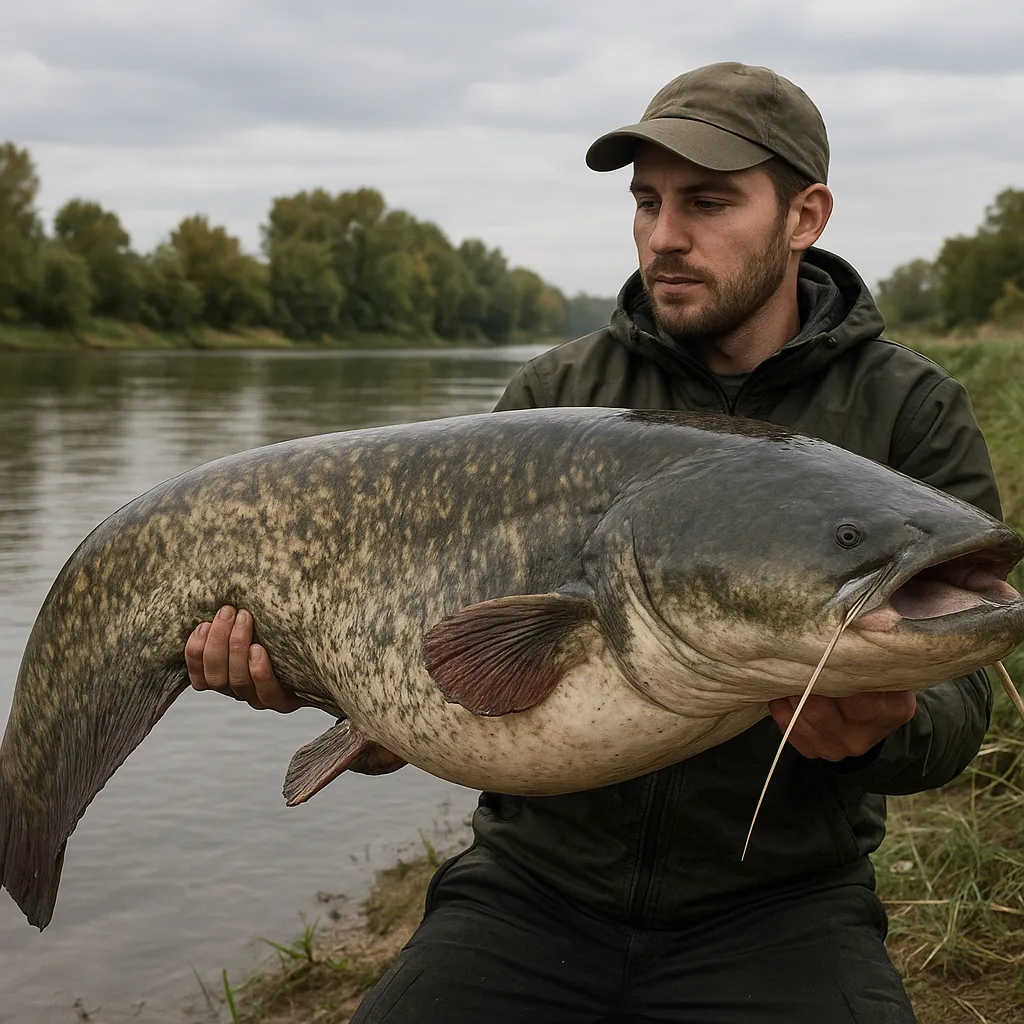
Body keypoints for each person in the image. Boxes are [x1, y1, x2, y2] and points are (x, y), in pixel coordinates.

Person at [185, 62, 1000, 1023]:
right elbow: (452, 661)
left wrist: (882, 733)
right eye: (646, 202)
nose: (665, 236)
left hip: (782, 907)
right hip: (532, 888)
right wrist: (343, 692)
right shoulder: (552, 396)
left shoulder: (911, 410)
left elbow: (964, 694)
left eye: (707, 203)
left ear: (804, 215)